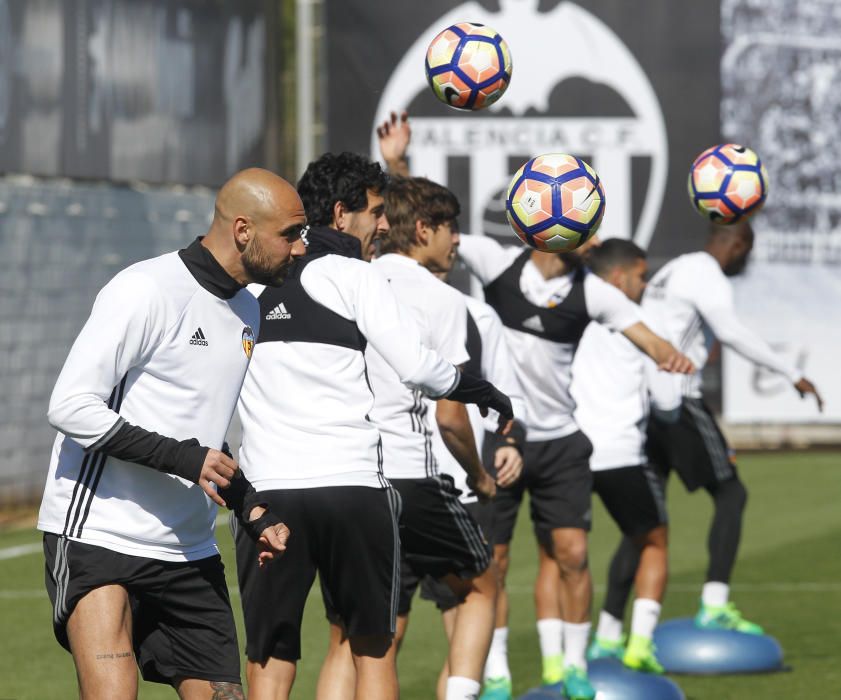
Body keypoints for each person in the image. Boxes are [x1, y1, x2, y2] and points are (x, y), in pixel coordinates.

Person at [378, 110, 693, 700]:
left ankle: (571, 668)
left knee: (571, 552)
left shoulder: (594, 290)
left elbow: (645, 334)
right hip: (500, 438)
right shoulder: (498, 264)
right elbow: (419, 225)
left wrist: (671, 355)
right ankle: (493, 673)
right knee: (490, 563)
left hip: (560, 441)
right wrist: (398, 162)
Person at [234, 154, 513, 700]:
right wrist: (482, 391)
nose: (384, 226)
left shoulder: (249, 284)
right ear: (342, 214)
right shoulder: (351, 274)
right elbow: (417, 367)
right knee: (372, 648)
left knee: (270, 653)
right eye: (377, 213)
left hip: (269, 493)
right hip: (353, 488)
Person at [37, 168, 301, 700]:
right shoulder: (145, 289)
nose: (299, 249)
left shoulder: (249, 310)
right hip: (98, 535)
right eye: (290, 234)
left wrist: (250, 507)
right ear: (244, 230)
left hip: (188, 549)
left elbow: (201, 436)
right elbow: (70, 407)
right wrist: (183, 459)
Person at [600, 221, 824, 636]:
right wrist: (792, 373)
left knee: (644, 524)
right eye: (747, 251)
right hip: (679, 401)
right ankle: (714, 605)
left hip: (647, 405)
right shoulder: (706, 272)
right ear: (737, 244)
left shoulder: (675, 269)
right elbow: (730, 331)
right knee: (732, 494)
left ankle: (608, 631)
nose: (746, 260)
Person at [400, 253, 529, 700]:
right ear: (419, 231)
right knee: (471, 594)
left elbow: (500, 391)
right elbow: (451, 412)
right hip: (406, 479)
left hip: (448, 485)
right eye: (445, 228)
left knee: (462, 605)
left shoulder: (477, 314)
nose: (454, 242)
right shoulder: (368, 296)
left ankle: (495, 679)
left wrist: (509, 444)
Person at [568, 239, 669, 674]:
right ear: (617, 277)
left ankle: (570, 656)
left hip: (570, 452)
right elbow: (666, 399)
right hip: (621, 452)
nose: (645, 284)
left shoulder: (569, 315)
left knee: (562, 557)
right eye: (640, 275)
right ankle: (639, 644)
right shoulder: (638, 322)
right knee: (654, 540)